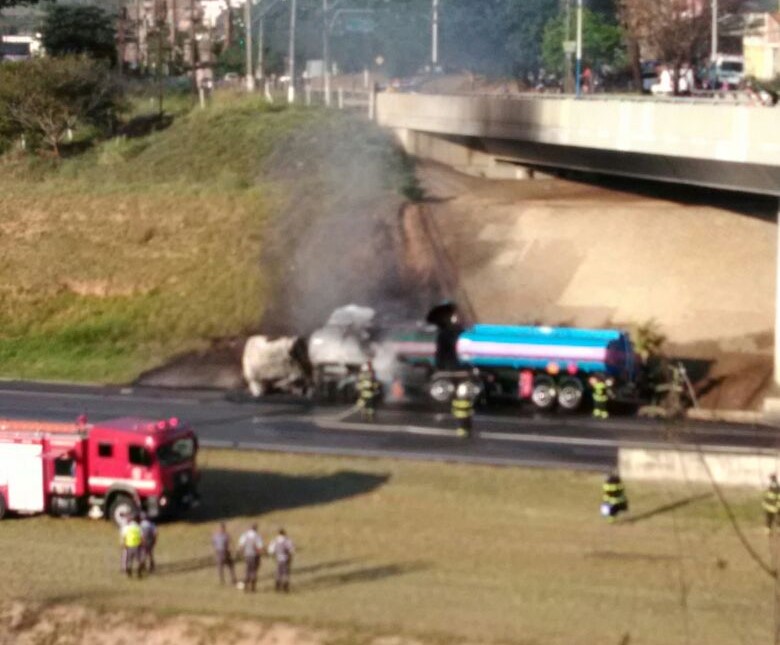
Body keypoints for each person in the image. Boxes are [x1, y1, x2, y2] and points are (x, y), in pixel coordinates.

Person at [237, 523, 264, 592]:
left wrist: (241, 553)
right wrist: (260, 555)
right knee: (254, 571)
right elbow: (260, 548)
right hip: (254, 556)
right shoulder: (257, 536)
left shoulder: (245, 535)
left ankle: (246, 587)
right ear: (256, 528)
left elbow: (241, 546)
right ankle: (253, 588)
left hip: (247, 555)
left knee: (247, 571)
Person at [268, 528, 295, 592]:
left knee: (278, 573)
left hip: (278, 559)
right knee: (286, 573)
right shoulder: (287, 540)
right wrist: (290, 558)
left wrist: (273, 556)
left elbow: (270, 550)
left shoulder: (275, 540)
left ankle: (277, 587)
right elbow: (291, 550)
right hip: (285, 558)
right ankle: (285, 587)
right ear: (284, 533)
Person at [120, 514, 145, 578]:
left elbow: (123, 537)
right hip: (137, 545)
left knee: (129, 560)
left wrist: (123, 544)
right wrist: (142, 544)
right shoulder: (138, 527)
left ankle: (129, 571)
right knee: (139, 560)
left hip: (129, 546)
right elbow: (142, 538)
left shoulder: (126, 527)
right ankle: (139, 572)